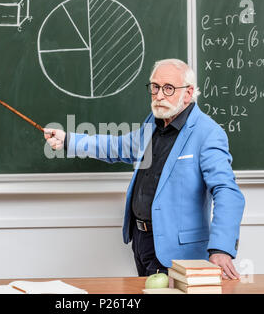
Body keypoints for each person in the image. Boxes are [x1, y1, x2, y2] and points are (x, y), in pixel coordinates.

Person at [44, 59, 245, 279]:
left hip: (177, 253)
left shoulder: (208, 133)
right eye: (155, 87)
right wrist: (69, 141)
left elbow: (227, 191)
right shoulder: (154, 122)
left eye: (168, 88)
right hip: (142, 243)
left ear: (188, 93)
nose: (159, 96)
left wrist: (221, 248)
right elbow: (118, 147)